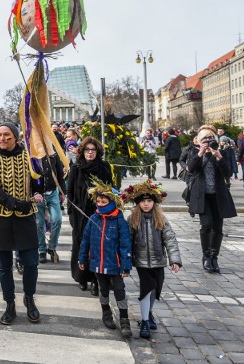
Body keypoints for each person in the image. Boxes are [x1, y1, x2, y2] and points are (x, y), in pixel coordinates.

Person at [0, 122, 40, 325]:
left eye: (7, 135)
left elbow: (38, 181)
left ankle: (29, 298)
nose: (2, 139)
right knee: (4, 265)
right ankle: (10, 303)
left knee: (31, 263)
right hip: (1, 217)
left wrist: (38, 191)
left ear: (15, 137)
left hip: (26, 217)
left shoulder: (29, 157)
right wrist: (14, 203)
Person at [123, 179, 181, 339]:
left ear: (154, 203)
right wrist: (126, 262)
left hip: (158, 260)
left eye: (149, 201)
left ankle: (148, 312)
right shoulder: (133, 219)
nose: (146, 204)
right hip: (142, 261)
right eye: (143, 201)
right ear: (138, 203)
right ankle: (145, 322)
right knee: (146, 290)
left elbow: (170, 239)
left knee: (156, 289)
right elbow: (127, 241)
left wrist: (174, 260)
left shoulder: (160, 219)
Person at [78, 179, 132, 338]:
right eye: (99, 201)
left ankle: (124, 319)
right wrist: (82, 259)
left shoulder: (119, 221)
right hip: (97, 264)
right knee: (103, 289)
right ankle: (106, 313)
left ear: (112, 201)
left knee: (119, 290)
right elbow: (85, 241)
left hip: (114, 264)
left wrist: (125, 266)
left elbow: (125, 245)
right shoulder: (94, 219)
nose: (100, 204)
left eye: (104, 201)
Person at [66, 137, 113, 296]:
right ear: (82, 151)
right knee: (80, 245)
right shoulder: (76, 168)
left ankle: (96, 280)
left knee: (97, 247)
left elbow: (110, 189)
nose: (90, 153)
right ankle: (81, 278)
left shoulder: (104, 167)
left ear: (97, 151)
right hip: (80, 214)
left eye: (93, 150)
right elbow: (70, 192)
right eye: (87, 150)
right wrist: (72, 213)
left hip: (98, 213)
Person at [187, 126, 236, 273]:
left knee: (218, 228)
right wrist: (200, 153)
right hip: (202, 196)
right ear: (199, 141)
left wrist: (218, 156)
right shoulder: (195, 153)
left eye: (211, 139)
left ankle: (215, 257)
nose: (208, 141)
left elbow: (228, 172)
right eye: (205, 139)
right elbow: (190, 168)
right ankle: (206, 257)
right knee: (206, 225)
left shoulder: (223, 153)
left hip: (218, 195)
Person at [31, 152, 65, 264]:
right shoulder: (29, 155)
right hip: (37, 195)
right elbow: (28, 178)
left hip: (52, 192)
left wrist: (62, 192)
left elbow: (60, 174)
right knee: (39, 223)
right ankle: (42, 250)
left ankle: (52, 247)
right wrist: (34, 193)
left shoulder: (53, 155)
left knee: (57, 220)